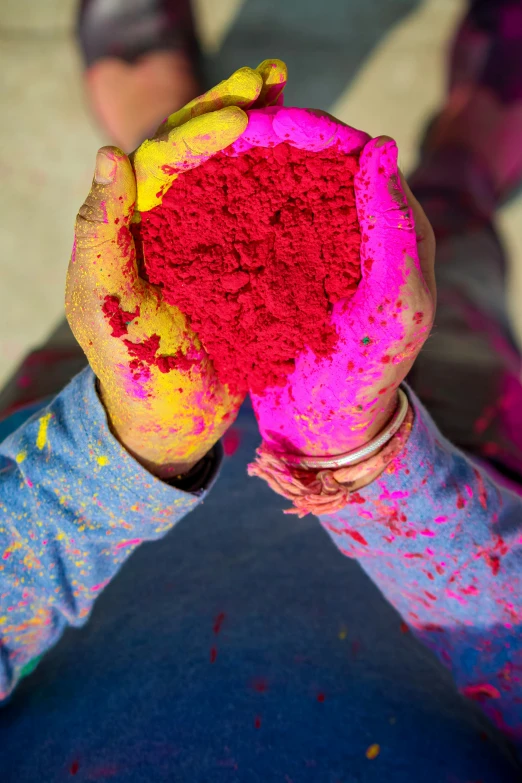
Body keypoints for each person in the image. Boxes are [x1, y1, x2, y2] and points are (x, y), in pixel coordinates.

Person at [1, 2, 522, 781]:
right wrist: (357, 450)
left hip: (113, 437)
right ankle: (465, 163)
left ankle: (149, 120)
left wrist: (126, 447)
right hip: (446, 461)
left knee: (134, 258)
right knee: (452, 260)